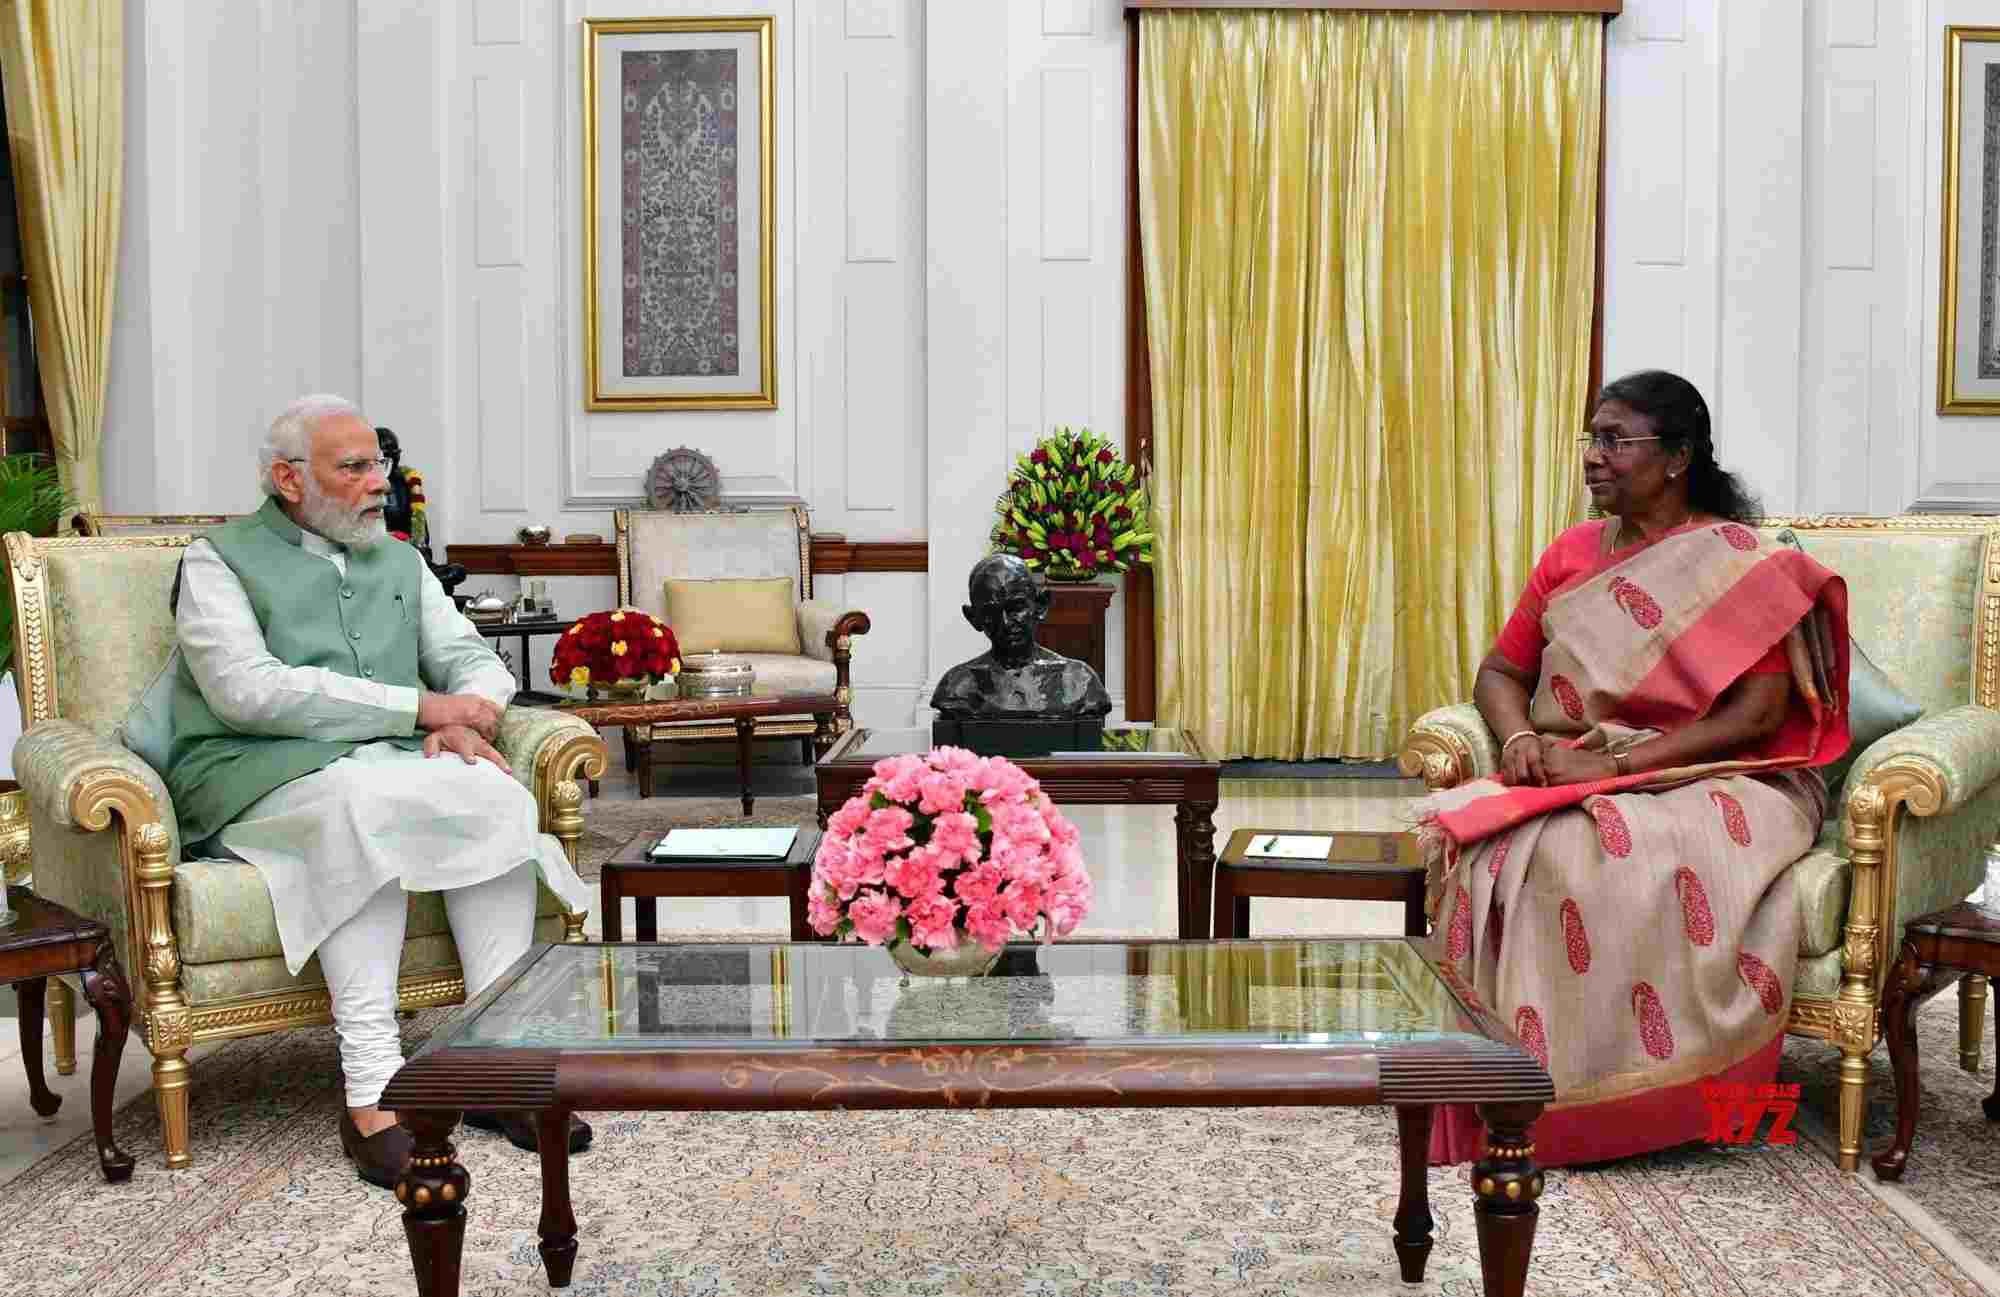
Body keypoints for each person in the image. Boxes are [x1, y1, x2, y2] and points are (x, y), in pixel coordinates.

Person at [135, 394, 595, 1188]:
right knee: (361, 805)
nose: (376, 482)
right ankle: (375, 1092)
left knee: (492, 790)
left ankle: (495, 1065)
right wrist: (419, 708)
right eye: (352, 467)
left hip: (376, 763)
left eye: (376, 464)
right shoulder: (219, 559)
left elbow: (468, 656)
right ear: (287, 478)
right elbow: (250, 693)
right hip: (249, 772)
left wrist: (475, 712)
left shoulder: (399, 558)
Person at [1413, 369, 1851, 1167]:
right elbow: (1500, 674)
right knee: (1497, 846)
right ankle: (1509, 1084)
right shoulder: (1572, 553)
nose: (1593, 457)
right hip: (1576, 761)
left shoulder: (1740, 563)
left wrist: (1625, 765)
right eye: (1592, 437)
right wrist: (1517, 744)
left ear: (1677, 455)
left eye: (1615, 440)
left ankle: (1632, 1103)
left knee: (1601, 846)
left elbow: (1754, 717)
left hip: (1728, 772)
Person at [931, 554, 1112, 719]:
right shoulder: (958, 686)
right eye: (991, 612)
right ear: (973, 618)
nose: (1006, 623)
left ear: (1040, 606)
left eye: (1016, 608)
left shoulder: (1079, 680)